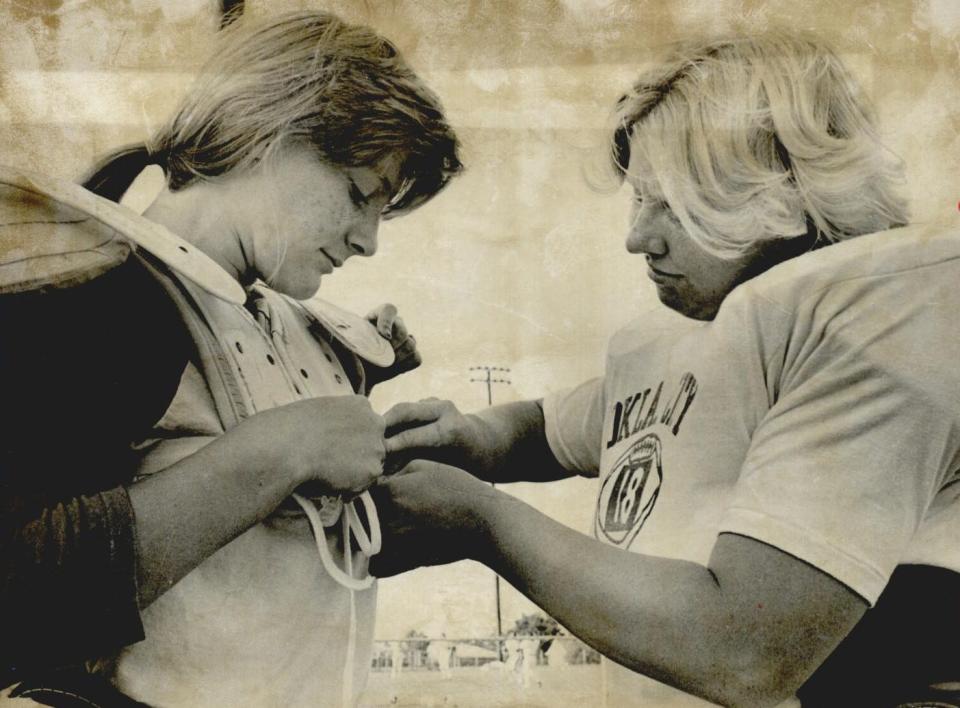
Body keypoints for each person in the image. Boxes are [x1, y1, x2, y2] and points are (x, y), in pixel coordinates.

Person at [372, 33, 960, 707]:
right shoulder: (702, 322)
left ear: (784, 189)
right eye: (639, 197)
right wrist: (475, 437)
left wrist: (481, 522)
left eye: (672, 203)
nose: (636, 236)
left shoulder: (888, 310)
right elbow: (566, 424)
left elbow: (745, 653)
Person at [0, 10, 460, 707]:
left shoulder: (274, 312)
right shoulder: (94, 291)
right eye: (359, 195)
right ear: (268, 134)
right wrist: (284, 448)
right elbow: (17, 592)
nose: (369, 240)